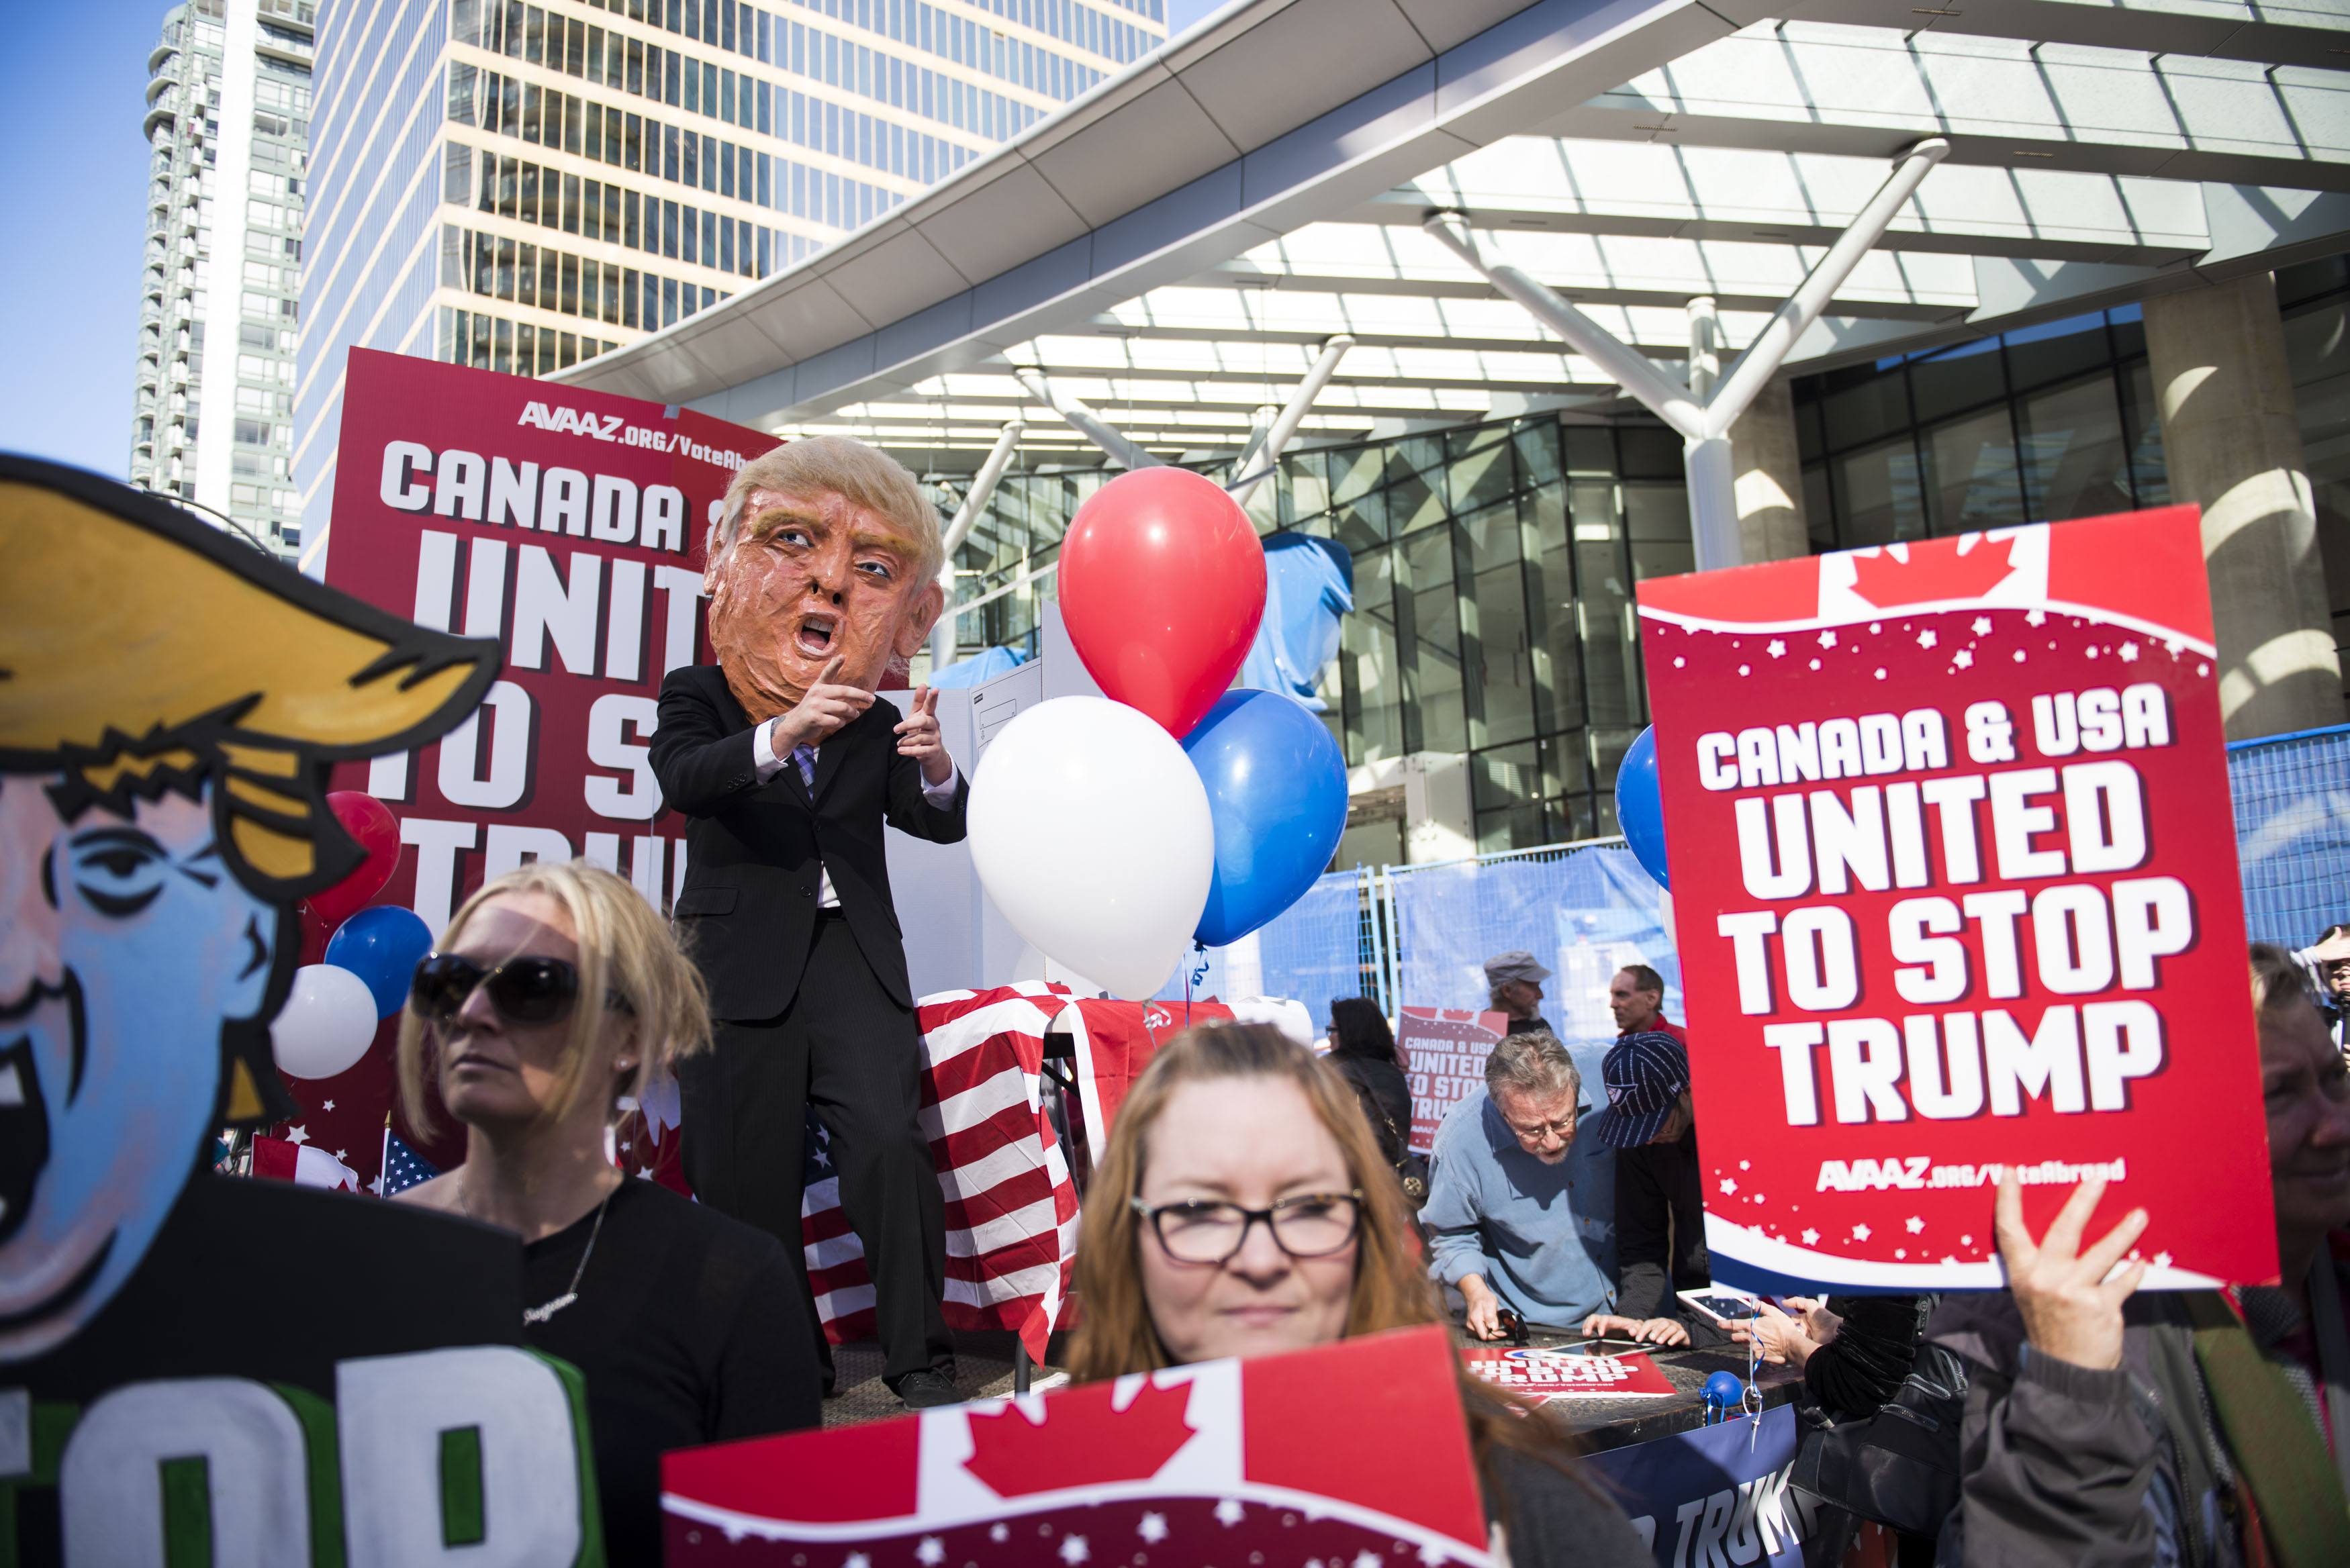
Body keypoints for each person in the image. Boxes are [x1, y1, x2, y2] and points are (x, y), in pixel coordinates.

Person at [1066, 1022, 1650, 1567]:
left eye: (1309, 1205)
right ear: (1125, 1235)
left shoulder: (1511, 1491)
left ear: (1366, 1233)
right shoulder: (1029, 1498)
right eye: (1199, 1209)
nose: (1261, 1259)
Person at [649, 436, 967, 1409]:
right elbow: (682, 781)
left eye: (871, 570)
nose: (831, 587)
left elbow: (936, 824)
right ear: (726, 574)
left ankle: (920, 1358)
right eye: (795, 545)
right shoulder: (697, 693)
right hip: (735, 963)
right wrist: (781, 735)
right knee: (746, 1181)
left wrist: (935, 763)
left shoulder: (877, 719)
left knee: (885, 1145)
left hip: (851, 962)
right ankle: (792, 1363)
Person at [396, 860, 821, 1563]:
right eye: (450, 982)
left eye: (531, 986)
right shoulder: (360, 1259)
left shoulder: (729, 1281)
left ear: (629, 1037)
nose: (471, 1012)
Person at [1926, 944, 2350, 1565]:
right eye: (2280, 1092)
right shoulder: (2099, 1342)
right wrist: (2067, 1391)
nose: (2334, 1124)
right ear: (2188, 1128)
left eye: (2335, 1078)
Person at [1423, 1031, 1618, 1338]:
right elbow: (1451, 1234)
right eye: (1533, 1130)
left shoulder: (1608, 1072)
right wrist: (1476, 1293)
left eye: (1563, 1121)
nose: (1552, 1141)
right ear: (1503, 1112)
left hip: (1640, 1308)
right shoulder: (1460, 1142)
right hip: (1547, 1330)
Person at [1579, 1030, 1711, 1347]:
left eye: (1656, 1124)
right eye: (1635, 1127)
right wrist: (1631, 1313)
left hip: (1768, 1306)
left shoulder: (1730, 1135)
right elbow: (1641, 1239)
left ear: (1686, 1092)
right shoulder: (1638, 1138)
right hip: (1693, 1297)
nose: (1648, 1138)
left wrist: (1706, 1327)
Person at [1325, 996, 1412, 1167]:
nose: (1328, 1038)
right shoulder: (1394, 1075)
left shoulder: (1335, 1075)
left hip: (1354, 1179)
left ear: (1348, 1033)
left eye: (1331, 1030)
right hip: (1393, 1181)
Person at [1483, 950, 1554, 1036]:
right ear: (1507, 990)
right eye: (1533, 987)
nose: (1540, 995)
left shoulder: (1539, 1028)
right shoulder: (1478, 1030)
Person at [1607, 963, 1681, 1042]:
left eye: (1622, 995)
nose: (1613, 1004)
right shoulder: (1621, 1046)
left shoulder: (1685, 1043)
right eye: (1612, 995)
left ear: (1651, 999)